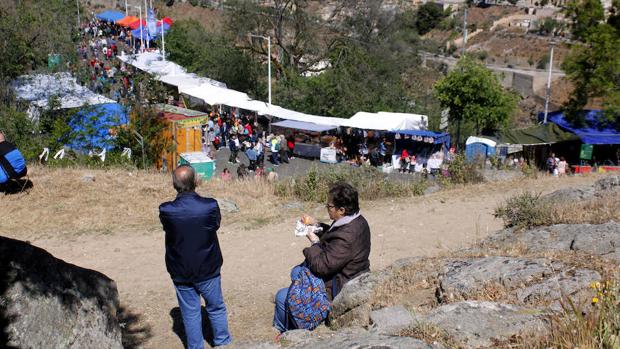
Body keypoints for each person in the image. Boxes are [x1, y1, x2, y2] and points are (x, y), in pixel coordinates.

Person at [273, 182, 371, 333]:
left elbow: (322, 266)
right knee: (295, 272)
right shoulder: (355, 220)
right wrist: (316, 225)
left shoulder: (349, 235)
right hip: (344, 273)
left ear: (342, 210)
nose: (327, 208)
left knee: (282, 296)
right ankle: (296, 307)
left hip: (339, 284)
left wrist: (314, 241)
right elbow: (335, 234)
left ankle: (287, 330)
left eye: (329, 206)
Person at [159, 165, 232, 348]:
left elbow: (168, 228)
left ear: (174, 184)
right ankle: (222, 343)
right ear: (195, 181)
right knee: (215, 308)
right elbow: (215, 225)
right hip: (208, 266)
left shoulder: (166, 210)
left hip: (180, 268)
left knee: (190, 312)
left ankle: (195, 346)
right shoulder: (209, 205)